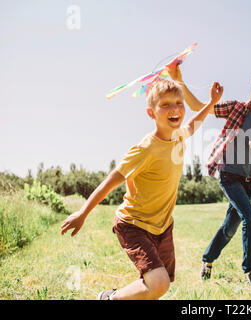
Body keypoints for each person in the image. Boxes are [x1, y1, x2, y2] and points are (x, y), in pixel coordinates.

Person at [60, 79, 223, 299]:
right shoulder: (145, 148)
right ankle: (109, 298)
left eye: (178, 102)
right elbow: (110, 181)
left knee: (157, 281)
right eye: (165, 105)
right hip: (133, 225)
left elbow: (194, 123)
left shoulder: (179, 136)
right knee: (159, 283)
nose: (174, 108)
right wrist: (82, 213)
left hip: (162, 226)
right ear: (151, 113)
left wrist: (212, 102)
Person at [168, 65, 251, 289]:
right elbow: (200, 107)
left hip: (249, 181)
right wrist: (179, 81)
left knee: (230, 227)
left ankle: (207, 260)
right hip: (227, 173)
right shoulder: (236, 108)